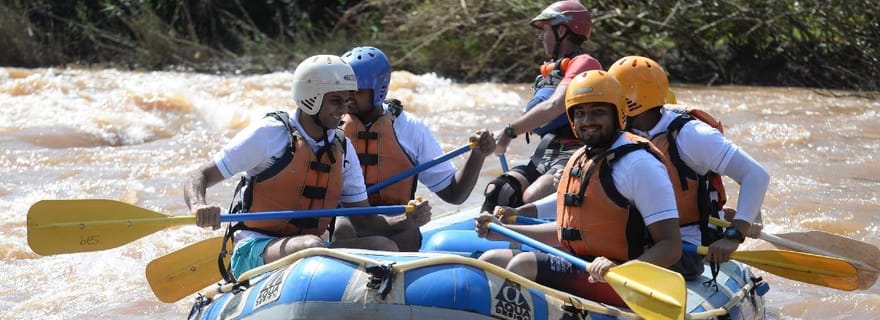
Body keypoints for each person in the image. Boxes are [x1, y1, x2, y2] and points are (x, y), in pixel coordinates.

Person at [185, 54, 430, 279]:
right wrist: (199, 205)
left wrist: (409, 219)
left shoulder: (343, 148)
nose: (344, 111)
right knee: (310, 245)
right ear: (310, 96)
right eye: (336, 101)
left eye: (346, 101)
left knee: (383, 246)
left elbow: (366, 223)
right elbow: (199, 175)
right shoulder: (270, 134)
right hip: (256, 247)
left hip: (313, 248)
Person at [476, 70, 682, 308]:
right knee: (490, 260)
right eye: (580, 113)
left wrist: (622, 271)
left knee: (523, 265)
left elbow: (670, 247)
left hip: (625, 278)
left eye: (598, 112)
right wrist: (503, 230)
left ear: (619, 114)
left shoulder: (640, 164)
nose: (587, 121)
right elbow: (569, 232)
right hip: (582, 263)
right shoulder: (580, 158)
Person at [606, 56, 769, 275]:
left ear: (631, 99)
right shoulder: (616, 132)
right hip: (633, 238)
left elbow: (755, 175)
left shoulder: (692, 135)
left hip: (684, 246)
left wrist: (736, 234)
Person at [336, 46, 496, 251]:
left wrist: (478, 155)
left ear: (378, 90)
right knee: (343, 228)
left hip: (398, 220)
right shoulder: (332, 123)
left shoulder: (410, 128)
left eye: (356, 91)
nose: (348, 98)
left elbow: (454, 194)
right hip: (350, 219)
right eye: (344, 90)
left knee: (405, 237)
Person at [482, 0, 603, 214]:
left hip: (576, 153)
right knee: (498, 190)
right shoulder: (551, 71)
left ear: (562, 30)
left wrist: (509, 132)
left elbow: (556, 105)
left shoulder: (585, 63)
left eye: (545, 29)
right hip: (547, 153)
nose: (541, 36)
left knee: (533, 197)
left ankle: (524, 245)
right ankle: (485, 241)